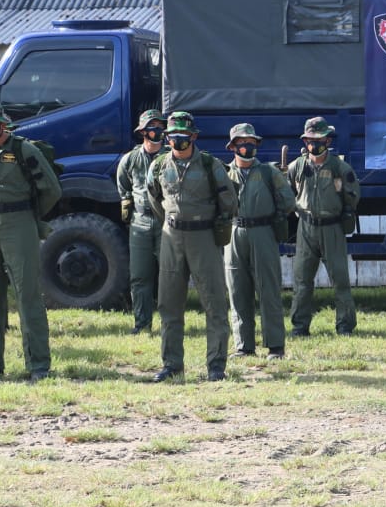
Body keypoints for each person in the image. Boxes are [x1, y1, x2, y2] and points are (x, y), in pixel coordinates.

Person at [145, 111, 238, 382]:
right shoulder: (159, 166)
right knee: (169, 304)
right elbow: (155, 200)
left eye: (184, 137)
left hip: (204, 238)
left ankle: (216, 366)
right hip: (172, 238)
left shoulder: (211, 166)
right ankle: (172, 364)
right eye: (173, 137)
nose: (178, 142)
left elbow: (229, 202)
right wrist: (174, 222)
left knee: (215, 302)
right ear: (167, 138)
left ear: (194, 137)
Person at [0, 99, 62, 383]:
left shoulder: (23, 151)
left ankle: (38, 364)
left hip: (20, 225)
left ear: (3, 124)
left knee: (27, 297)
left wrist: (31, 217)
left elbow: (51, 190)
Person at [224, 123, 296, 360]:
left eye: (251, 142)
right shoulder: (224, 173)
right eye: (243, 142)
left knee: (269, 290)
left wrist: (270, 218)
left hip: (262, 232)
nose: (247, 146)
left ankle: (275, 346)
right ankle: (244, 346)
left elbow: (288, 202)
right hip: (234, 234)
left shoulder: (269, 172)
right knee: (237, 290)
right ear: (233, 146)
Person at [287, 116, 360, 337]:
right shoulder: (296, 167)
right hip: (306, 228)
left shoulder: (340, 167)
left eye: (319, 139)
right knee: (302, 280)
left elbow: (353, 196)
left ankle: (345, 326)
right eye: (310, 139)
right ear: (304, 140)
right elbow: (289, 192)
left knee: (340, 279)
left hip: (332, 228)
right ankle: (300, 326)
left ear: (328, 141)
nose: (314, 144)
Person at [115, 109, 166, 334]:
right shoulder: (131, 159)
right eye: (151, 127)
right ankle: (142, 323)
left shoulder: (170, 157)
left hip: (166, 222)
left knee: (169, 275)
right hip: (141, 222)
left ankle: (169, 322)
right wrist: (127, 202)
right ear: (142, 131)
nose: (156, 131)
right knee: (139, 275)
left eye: (159, 126)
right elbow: (123, 184)